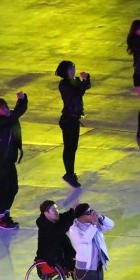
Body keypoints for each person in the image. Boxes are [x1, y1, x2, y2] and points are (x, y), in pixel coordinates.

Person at [0, 92, 28, 230]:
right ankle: (1, 218)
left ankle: (5, 214)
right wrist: (20, 102)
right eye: (2, 109)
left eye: (6, 107)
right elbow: (13, 117)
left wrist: (23, 100)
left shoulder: (10, 116)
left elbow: (18, 113)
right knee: (4, 189)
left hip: (9, 162)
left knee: (13, 188)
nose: (5, 110)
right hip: (0, 163)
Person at [55, 60, 91, 188]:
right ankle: (69, 173)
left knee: (72, 148)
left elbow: (84, 87)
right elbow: (79, 90)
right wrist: (85, 81)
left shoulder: (73, 81)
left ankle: (70, 173)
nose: (73, 71)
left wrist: (86, 80)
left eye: (73, 68)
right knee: (69, 148)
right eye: (70, 69)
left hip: (74, 119)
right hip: (68, 120)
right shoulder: (64, 84)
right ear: (64, 72)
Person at [36, 200, 76, 271]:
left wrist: (73, 211)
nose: (57, 211)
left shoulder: (53, 220)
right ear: (46, 213)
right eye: (53, 210)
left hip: (60, 254)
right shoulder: (45, 226)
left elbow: (64, 216)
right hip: (52, 258)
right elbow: (61, 229)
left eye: (56, 208)